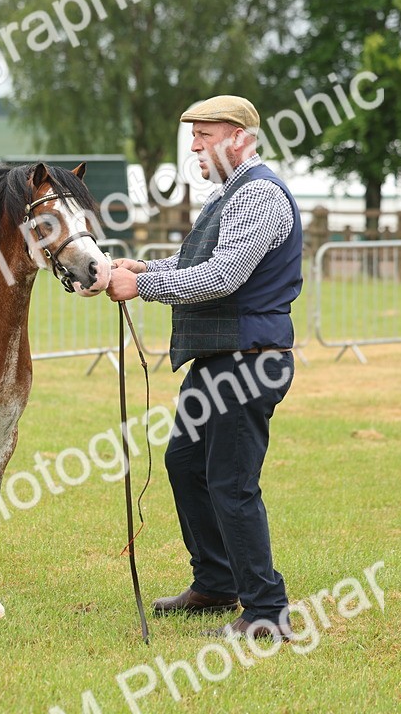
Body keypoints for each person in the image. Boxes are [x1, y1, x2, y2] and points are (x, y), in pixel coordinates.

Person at [106, 95, 303, 640]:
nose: (194, 147)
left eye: (205, 135)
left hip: (248, 362)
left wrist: (140, 285)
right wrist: (145, 266)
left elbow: (223, 277)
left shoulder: (259, 194)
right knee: (185, 464)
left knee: (231, 484)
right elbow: (198, 265)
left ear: (241, 137)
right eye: (193, 137)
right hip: (219, 362)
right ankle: (216, 584)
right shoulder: (231, 195)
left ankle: (267, 611)